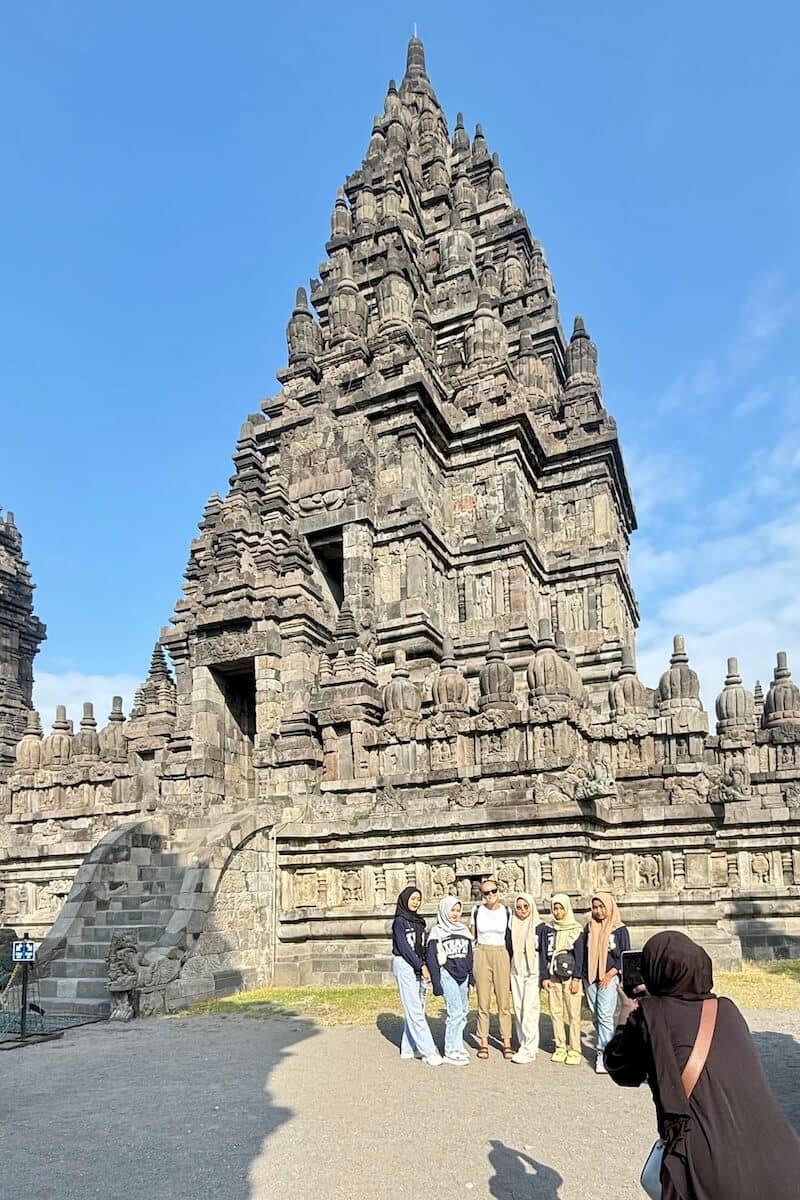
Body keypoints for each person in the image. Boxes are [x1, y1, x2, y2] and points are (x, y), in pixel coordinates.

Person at [605, 930, 800, 1199]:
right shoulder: (727, 1010)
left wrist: (627, 1012)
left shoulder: (649, 1018)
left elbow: (620, 1068)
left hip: (708, 1169)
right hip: (782, 1158)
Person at [576, 890, 630, 1073]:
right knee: (595, 1014)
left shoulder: (619, 929)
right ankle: (608, 1044)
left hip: (610, 976)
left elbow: (624, 955)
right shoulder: (589, 927)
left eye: (601, 907)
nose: (598, 911)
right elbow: (582, 952)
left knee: (605, 1014)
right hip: (590, 977)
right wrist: (580, 976)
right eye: (595, 907)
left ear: (609, 907)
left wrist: (611, 973)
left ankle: (603, 1053)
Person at [390, 886, 442, 1066]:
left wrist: (425, 965)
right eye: (412, 898)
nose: (416, 902)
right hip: (404, 964)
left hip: (419, 964)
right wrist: (421, 966)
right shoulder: (399, 922)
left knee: (418, 1006)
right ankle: (428, 1051)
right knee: (414, 1008)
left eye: (418, 899)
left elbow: (421, 946)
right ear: (404, 899)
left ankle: (407, 1047)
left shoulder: (419, 922)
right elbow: (404, 948)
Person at [425, 895, 473, 1066]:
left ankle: (457, 1045)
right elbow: (431, 958)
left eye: (458, 910)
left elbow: (470, 955)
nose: (455, 914)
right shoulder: (437, 932)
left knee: (464, 1012)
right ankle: (450, 1051)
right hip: (447, 974)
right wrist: (436, 983)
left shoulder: (464, 930)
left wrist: (471, 976)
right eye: (452, 910)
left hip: (463, 975)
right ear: (445, 910)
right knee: (454, 1013)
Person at [470, 878, 513, 1060]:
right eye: (486, 893)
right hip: (482, 951)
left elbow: (512, 934)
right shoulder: (477, 910)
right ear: (481, 894)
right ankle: (484, 1042)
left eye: (493, 891)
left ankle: (507, 1041)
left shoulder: (507, 911)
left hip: (501, 952)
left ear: (498, 891)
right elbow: (471, 934)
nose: (490, 895)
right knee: (483, 1001)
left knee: (504, 1001)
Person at [539, 892, 583, 1065]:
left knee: (573, 1015)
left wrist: (577, 978)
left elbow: (580, 955)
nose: (557, 912)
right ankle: (560, 1046)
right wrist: (544, 976)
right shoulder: (548, 929)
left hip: (571, 977)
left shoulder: (576, 929)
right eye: (554, 908)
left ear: (567, 909)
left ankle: (574, 1049)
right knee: (556, 1013)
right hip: (553, 976)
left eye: (560, 908)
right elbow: (543, 953)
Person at [509, 892, 541, 1064]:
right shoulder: (511, 925)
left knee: (529, 1008)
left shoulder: (540, 927)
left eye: (525, 906)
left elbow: (544, 952)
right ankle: (524, 1042)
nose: (522, 910)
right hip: (516, 969)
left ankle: (529, 1048)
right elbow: (507, 949)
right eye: (519, 907)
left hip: (533, 970)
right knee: (518, 1007)